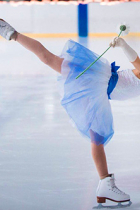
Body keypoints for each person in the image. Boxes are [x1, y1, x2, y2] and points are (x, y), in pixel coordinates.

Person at [0, 19, 139, 207]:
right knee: (98, 136)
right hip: (95, 82)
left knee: (48, 59)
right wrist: (123, 44)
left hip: (98, 86)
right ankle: (105, 184)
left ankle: (105, 184)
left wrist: (123, 44)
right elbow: (137, 63)